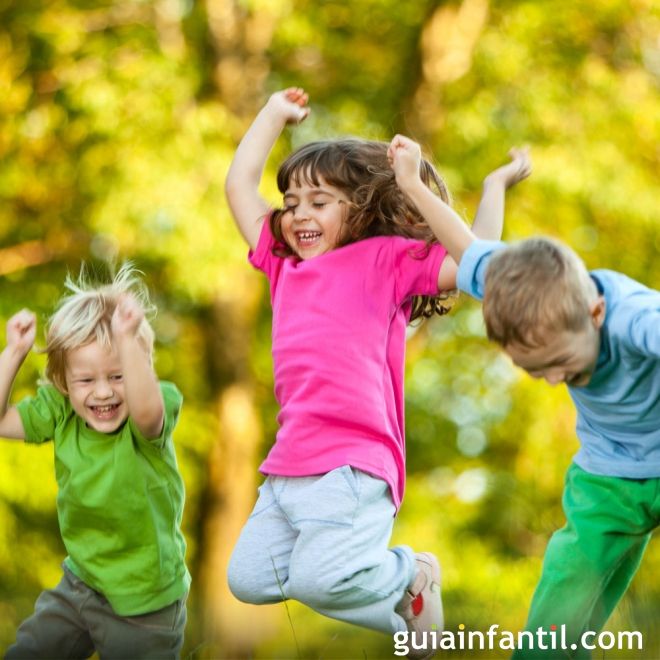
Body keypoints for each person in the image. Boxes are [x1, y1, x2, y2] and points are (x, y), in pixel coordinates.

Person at [224, 87, 530, 652]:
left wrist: (440, 186)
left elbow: (480, 259)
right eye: (291, 202)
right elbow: (239, 187)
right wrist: (270, 114)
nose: (299, 214)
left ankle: (410, 572)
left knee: (319, 579)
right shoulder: (282, 265)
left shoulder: (384, 260)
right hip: (288, 466)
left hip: (353, 465)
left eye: (319, 201)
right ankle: (406, 601)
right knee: (247, 580)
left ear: (359, 207)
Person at [389, 134, 659, 658]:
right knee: (566, 587)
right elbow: (465, 244)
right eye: (535, 371)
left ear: (596, 314)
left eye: (562, 364)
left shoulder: (639, 321)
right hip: (608, 474)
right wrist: (411, 181)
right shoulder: (518, 292)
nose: (555, 381)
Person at [2, 265, 190, 660]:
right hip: (80, 585)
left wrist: (127, 340)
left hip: (146, 602)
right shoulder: (60, 411)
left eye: (118, 375)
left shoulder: (150, 411)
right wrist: (14, 353)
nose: (103, 392)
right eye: (86, 380)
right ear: (64, 383)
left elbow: (146, 412)